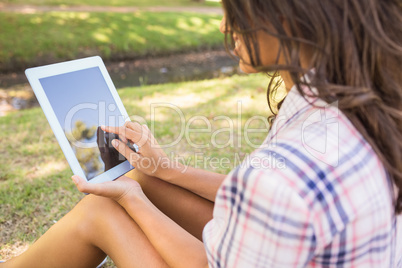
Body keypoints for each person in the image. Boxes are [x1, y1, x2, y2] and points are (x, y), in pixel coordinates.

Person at [2, 0, 402, 267]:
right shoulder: (357, 104)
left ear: (288, 21)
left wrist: (134, 201)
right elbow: (265, 202)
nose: (227, 25)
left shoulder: (283, 175)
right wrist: (166, 170)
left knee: (101, 212)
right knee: (140, 176)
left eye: (236, 11)